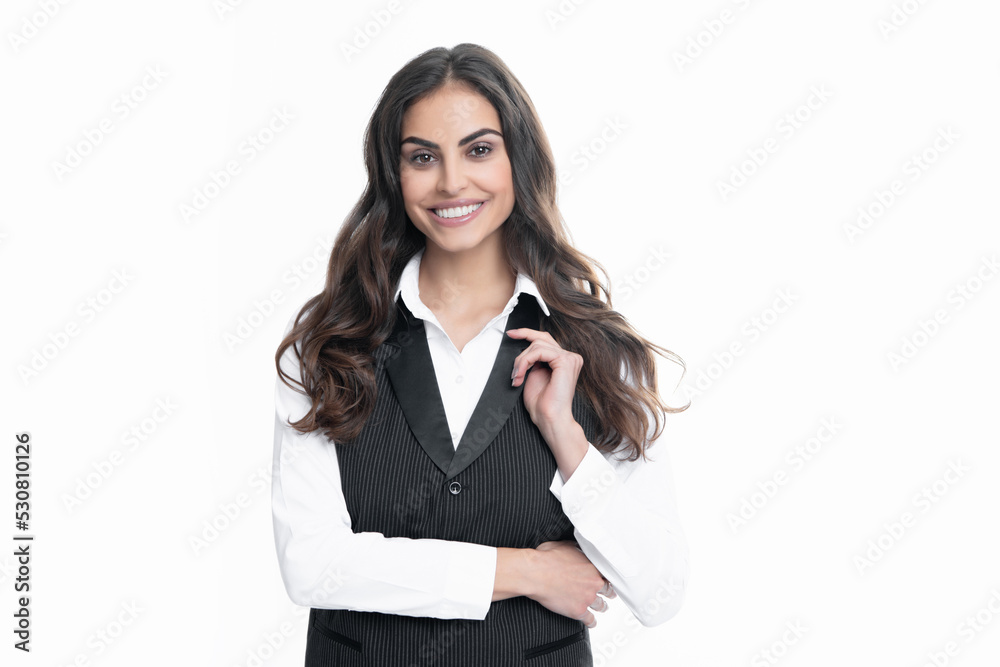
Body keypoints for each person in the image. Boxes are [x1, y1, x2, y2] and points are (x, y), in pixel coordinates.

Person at [271, 43, 689, 666]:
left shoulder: (596, 347)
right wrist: (527, 571)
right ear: (394, 173)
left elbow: (658, 592)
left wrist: (567, 436)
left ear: (518, 159)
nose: (451, 182)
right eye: (422, 157)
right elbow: (312, 565)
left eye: (479, 149)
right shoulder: (331, 341)